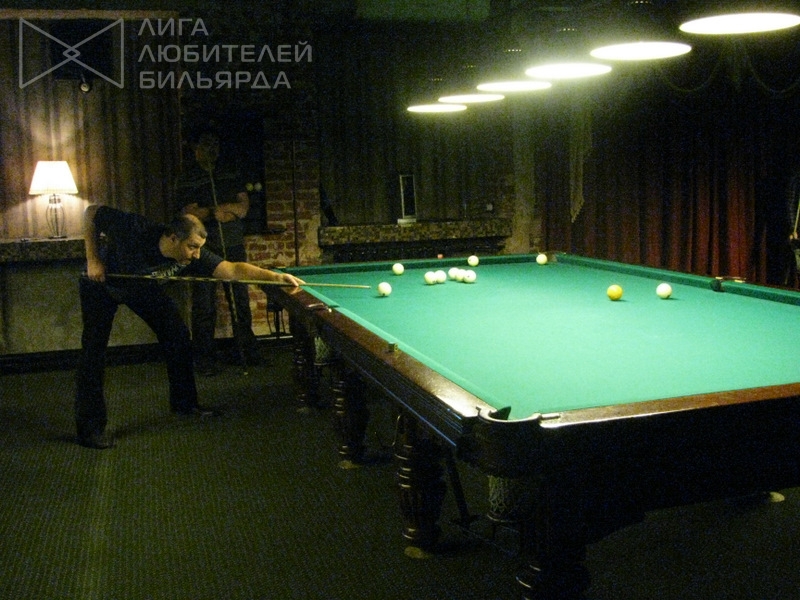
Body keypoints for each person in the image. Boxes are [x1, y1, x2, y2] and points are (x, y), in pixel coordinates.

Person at [75, 204, 303, 449]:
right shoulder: (135, 228)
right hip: (101, 284)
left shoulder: (193, 254)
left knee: (178, 335)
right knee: (93, 350)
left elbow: (232, 269)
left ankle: (185, 404)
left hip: (142, 288)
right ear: (173, 238)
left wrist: (275, 277)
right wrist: (93, 260)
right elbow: (91, 213)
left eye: (199, 248)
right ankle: (90, 429)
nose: (196, 255)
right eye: (192, 247)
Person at [175, 128, 259, 374]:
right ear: (196, 148)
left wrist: (222, 209)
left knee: (240, 300)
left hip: (233, 244)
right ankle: (204, 358)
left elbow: (243, 208)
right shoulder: (188, 177)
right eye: (206, 144)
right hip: (205, 248)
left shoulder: (231, 172)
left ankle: (245, 351)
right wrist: (214, 213)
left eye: (215, 145)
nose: (212, 150)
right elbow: (190, 214)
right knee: (204, 304)